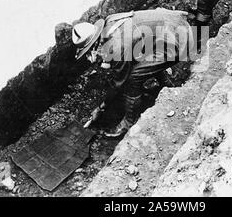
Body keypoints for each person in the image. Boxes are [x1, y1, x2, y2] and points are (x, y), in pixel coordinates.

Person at [72, 8, 194, 138]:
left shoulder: (116, 47)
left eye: (88, 52)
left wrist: (102, 106)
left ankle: (128, 123)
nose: (89, 57)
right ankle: (167, 84)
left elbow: (120, 82)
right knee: (141, 56)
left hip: (180, 39)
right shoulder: (110, 21)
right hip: (175, 24)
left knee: (133, 78)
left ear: (94, 45)